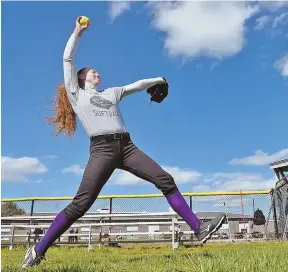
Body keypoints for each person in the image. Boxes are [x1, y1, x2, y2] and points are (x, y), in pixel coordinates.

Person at [21, 17, 226, 268]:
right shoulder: (77, 93)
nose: (97, 72)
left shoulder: (111, 93)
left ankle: (198, 228)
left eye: (97, 70)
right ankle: (38, 250)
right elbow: (67, 59)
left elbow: (137, 85)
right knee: (81, 204)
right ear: (82, 78)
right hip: (102, 149)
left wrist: (158, 79)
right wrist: (77, 32)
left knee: (166, 180)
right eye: (92, 71)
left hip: (127, 147)